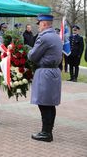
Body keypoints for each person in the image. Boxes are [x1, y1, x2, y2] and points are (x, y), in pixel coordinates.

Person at [28, 14, 62, 142]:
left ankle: (46, 133)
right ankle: (48, 131)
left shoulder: (44, 37)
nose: (38, 27)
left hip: (45, 73)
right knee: (50, 104)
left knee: (44, 104)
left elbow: (32, 56)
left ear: (43, 24)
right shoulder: (55, 36)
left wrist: (29, 52)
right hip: (54, 71)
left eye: (39, 24)